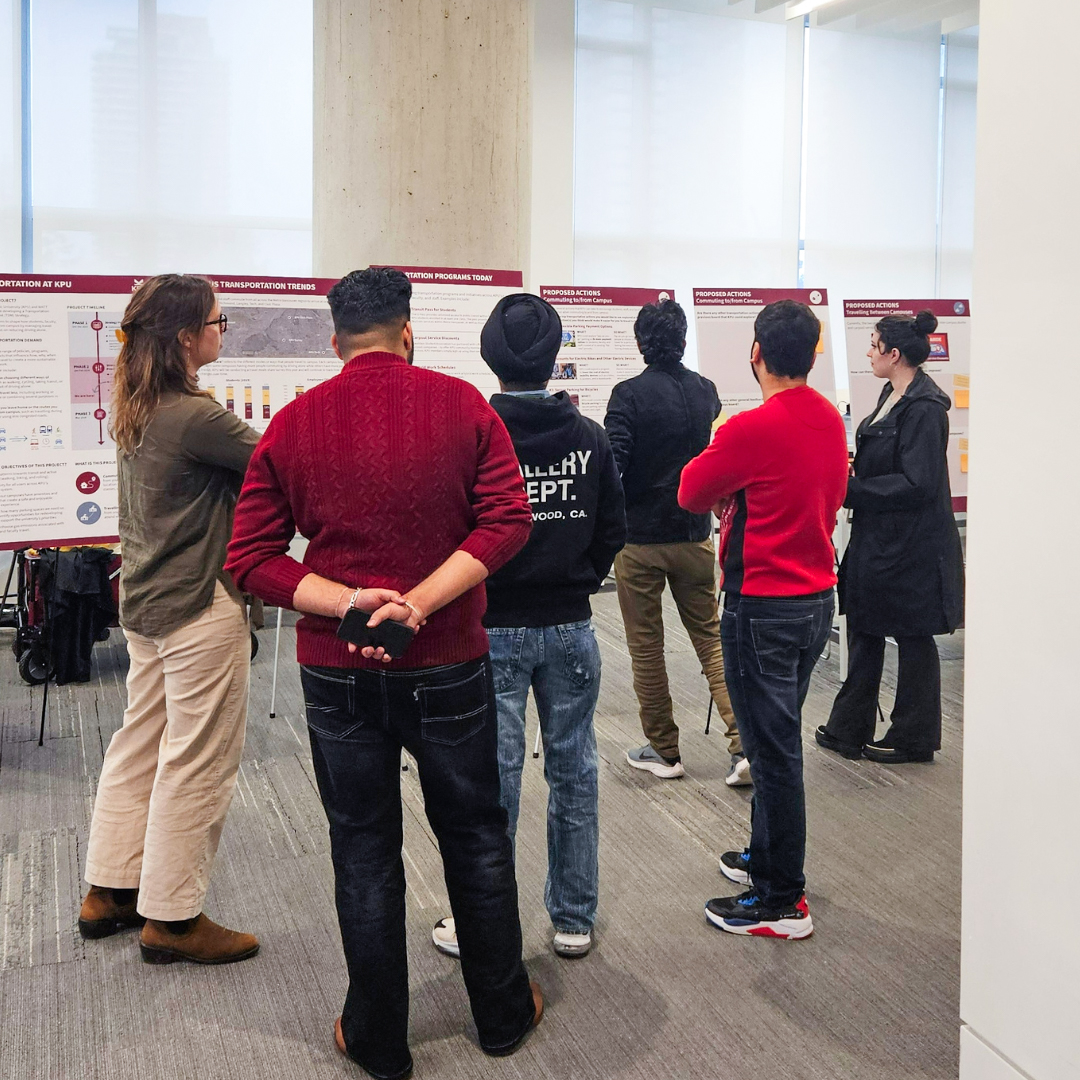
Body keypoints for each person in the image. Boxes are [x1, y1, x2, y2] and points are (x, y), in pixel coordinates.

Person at [225, 268, 541, 1080]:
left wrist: (352, 605)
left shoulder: (292, 423)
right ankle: (502, 1015)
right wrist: (421, 603)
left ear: (335, 342)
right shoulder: (464, 405)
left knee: (363, 849)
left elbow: (251, 559)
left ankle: (376, 1038)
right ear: (409, 332)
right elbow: (510, 519)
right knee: (474, 837)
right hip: (449, 662)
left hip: (335, 671)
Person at [430, 294, 626, 963]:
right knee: (575, 770)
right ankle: (573, 918)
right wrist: (574, 575)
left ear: (489, 355)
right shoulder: (590, 437)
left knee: (491, 778)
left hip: (493, 627)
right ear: (553, 357)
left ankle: (477, 920)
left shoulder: (474, 434)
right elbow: (611, 534)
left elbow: (454, 532)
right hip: (571, 626)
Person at [80, 274, 262, 965]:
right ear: (188, 337)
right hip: (197, 606)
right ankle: (175, 919)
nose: (223, 331)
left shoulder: (137, 401)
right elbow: (279, 467)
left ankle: (112, 890)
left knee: (139, 746)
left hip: (147, 605)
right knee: (198, 762)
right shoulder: (197, 416)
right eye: (220, 322)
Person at [679, 299, 848, 940]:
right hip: (814, 602)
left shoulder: (750, 427)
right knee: (772, 741)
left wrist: (732, 487)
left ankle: (782, 898)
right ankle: (767, 859)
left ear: (756, 353)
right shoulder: (828, 419)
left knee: (772, 753)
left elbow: (691, 491)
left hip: (763, 609)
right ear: (812, 354)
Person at [604, 299, 747, 785]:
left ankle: (664, 751)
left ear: (642, 341)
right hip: (693, 534)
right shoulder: (705, 391)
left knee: (646, 648)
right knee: (710, 638)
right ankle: (743, 745)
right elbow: (714, 459)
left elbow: (613, 469)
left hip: (639, 540)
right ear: (683, 339)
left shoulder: (627, 395)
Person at [815, 311, 964, 764]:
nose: (868, 352)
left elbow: (918, 483)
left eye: (874, 344)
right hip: (881, 538)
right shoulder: (892, 394)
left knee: (912, 635)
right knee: (864, 624)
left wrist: (851, 489)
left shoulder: (924, 409)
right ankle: (848, 728)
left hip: (911, 545)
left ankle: (913, 737)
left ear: (894, 354)